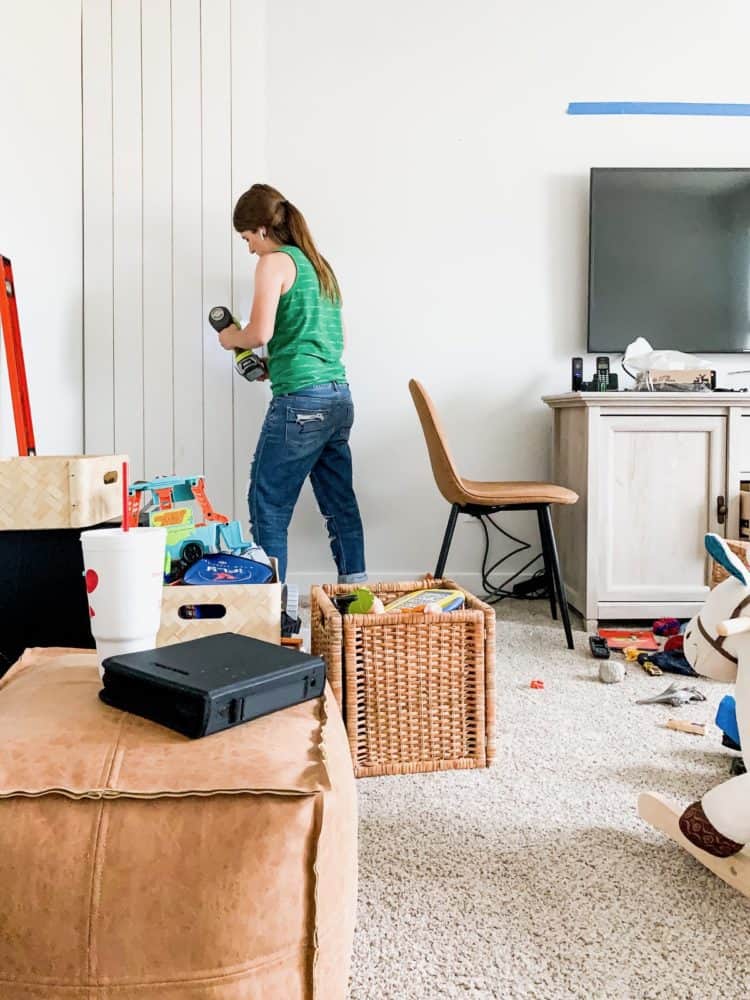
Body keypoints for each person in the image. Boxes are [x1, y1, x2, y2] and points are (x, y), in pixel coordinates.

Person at [218, 183, 367, 584]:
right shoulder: (319, 264)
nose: (249, 248)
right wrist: (275, 366)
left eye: (247, 238)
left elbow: (259, 332)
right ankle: (356, 603)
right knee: (341, 507)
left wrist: (233, 337)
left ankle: (275, 610)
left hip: (301, 404)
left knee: (267, 504)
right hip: (337, 398)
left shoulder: (273, 263)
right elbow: (330, 340)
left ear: (263, 229)